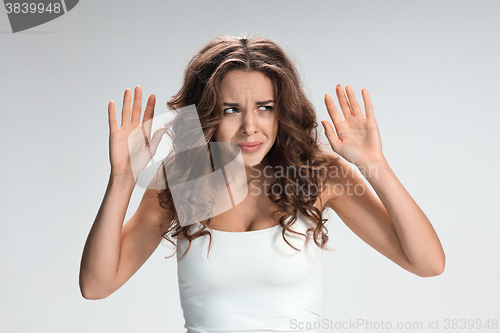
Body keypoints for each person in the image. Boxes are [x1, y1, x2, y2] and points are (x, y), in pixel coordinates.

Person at [79, 35, 445, 332]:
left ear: (282, 110)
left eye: (265, 107)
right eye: (231, 109)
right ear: (207, 114)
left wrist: (374, 164)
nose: (250, 126)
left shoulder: (317, 176)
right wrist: (123, 179)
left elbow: (428, 263)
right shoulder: (184, 182)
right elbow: (96, 286)